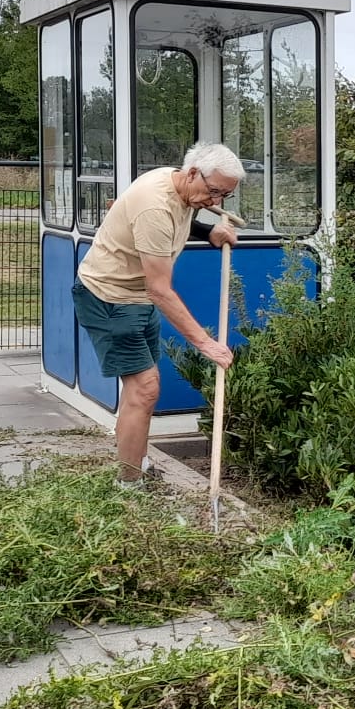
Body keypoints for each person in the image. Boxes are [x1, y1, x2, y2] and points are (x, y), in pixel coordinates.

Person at [72, 141, 243, 483]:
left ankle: (134, 462)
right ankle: (129, 482)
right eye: (213, 191)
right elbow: (160, 289)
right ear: (192, 173)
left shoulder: (176, 184)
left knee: (140, 391)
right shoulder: (154, 205)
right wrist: (205, 343)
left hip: (136, 298)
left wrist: (209, 230)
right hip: (111, 299)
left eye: (225, 195)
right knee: (145, 389)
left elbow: (178, 217)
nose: (215, 202)